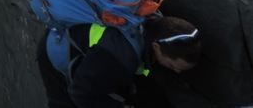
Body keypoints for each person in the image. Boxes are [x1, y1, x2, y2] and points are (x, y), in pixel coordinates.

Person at [37, 15, 201, 108]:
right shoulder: (118, 58)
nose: (177, 72)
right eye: (174, 66)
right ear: (156, 47)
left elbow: (143, 78)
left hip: (97, 58)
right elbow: (80, 94)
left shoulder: (157, 28)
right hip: (59, 49)